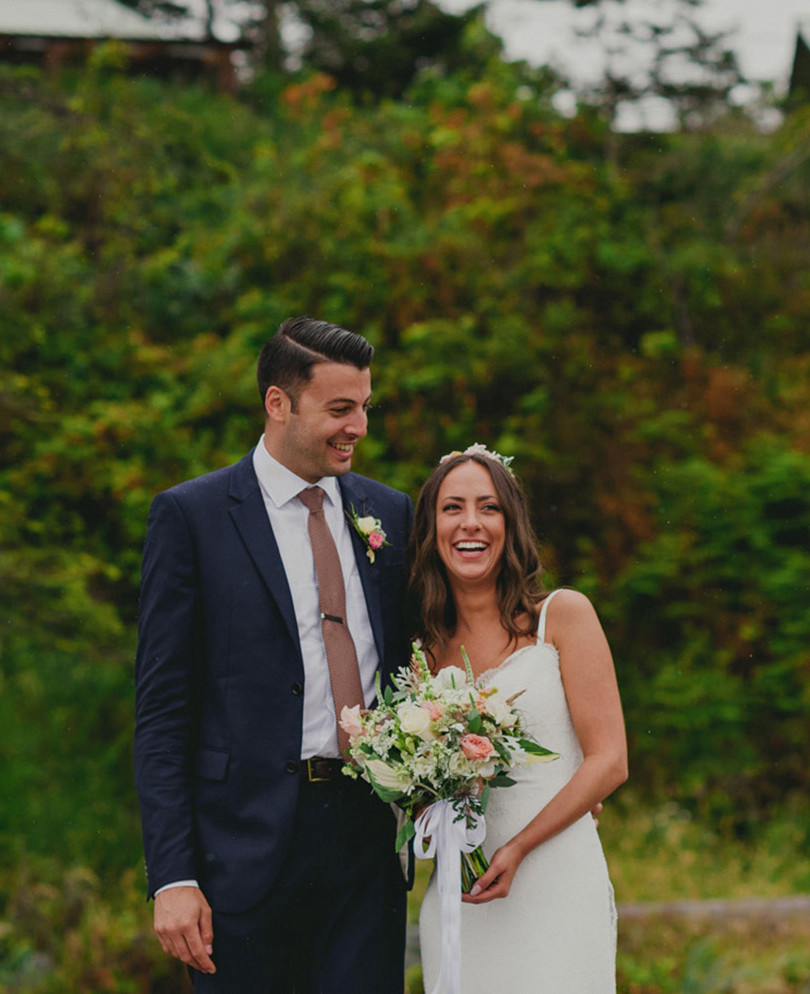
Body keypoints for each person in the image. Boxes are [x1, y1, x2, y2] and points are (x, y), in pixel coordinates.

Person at [133, 316, 412, 994]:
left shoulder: (391, 513)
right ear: (278, 403)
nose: (358, 427)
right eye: (340, 409)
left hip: (366, 844)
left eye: (365, 408)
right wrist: (173, 875)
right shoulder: (191, 516)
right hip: (242, 851)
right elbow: (163, 711)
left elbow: (428, 657)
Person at [412, 445, 628, 993]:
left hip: (554, 875)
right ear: (432, 527)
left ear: (511, 524)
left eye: (489, 508)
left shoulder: (563, 616)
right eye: (452, 507)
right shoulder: (421, 650)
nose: (471, 523)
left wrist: (519, 847)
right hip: (463, 894)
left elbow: (609, 762)